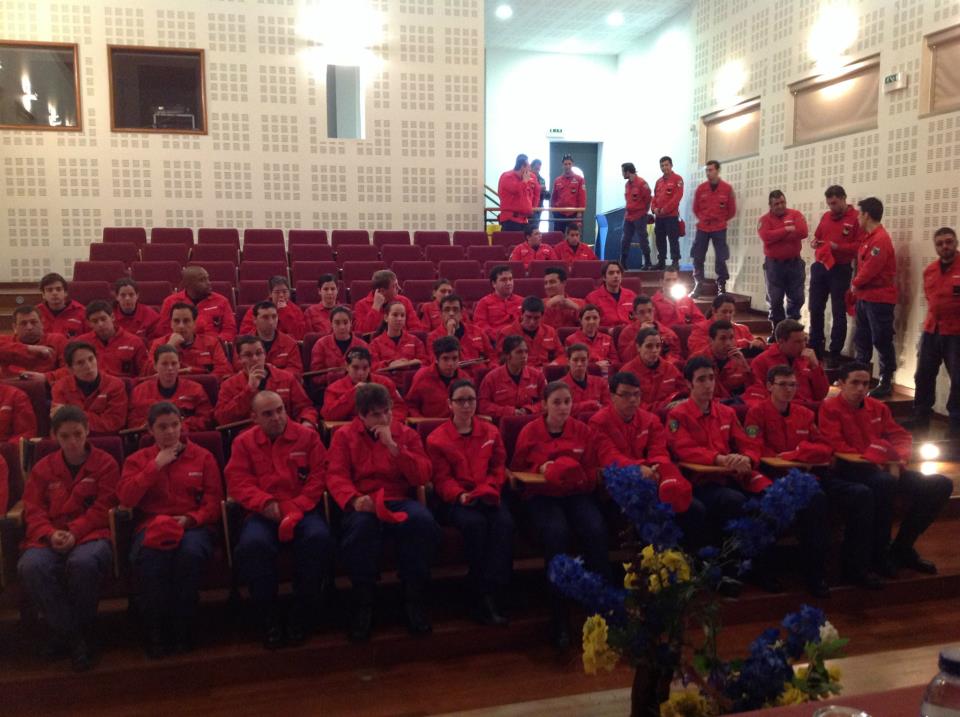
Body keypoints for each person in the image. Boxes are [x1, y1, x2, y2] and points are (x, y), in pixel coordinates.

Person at [667, 357, 814, 593]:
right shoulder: (678, 415)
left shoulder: (726, 412)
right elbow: (684, 448)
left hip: (733, 475)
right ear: (689, 384)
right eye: (701, 379)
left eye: (711, 378)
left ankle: (759, 567)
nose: (708, 384)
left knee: (771, 498)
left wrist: (747, 458)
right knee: (733, 501)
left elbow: (748, 442)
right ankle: (728, 571)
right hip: (701, 481)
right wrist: (719, 459)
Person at [742, 364, 881, 590]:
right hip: (776, 476)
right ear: (769, 386)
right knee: (815, 500)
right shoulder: (757, 413)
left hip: (811, 472)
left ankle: (856, 567)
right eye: (783, 385)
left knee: (862, 494)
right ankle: (812, 574)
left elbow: (824, 447)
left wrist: (797, 453)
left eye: (793, 385)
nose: (789, 390)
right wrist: (793, 458)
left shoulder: (804, 414)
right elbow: (754, 447)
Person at [325, 383, 439, 641]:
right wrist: (354, 499)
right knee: (360, 531)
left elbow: (422, 475)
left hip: (398, 497)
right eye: (376, 414)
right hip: (363, 500)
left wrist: (394, 448)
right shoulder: (344, 436)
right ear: (361, 415)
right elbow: (335, 475)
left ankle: (413, 597)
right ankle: (363, 601)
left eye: (387, 411)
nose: (385, 418)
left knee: (422, 523)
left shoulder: (405, 433)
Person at [818, 362, 952, 577]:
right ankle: (877, 554)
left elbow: (900, 436)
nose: (861, 388)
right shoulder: (830, 408)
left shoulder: (878, 407)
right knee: (884, 483)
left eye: (865, 383)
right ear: (841, 384)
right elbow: (836, 444)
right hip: (851, 469)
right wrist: (877, 460)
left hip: (885, 468)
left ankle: (902, 547)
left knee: (940, 484)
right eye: (855, 383)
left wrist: (897, 460)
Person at [225, 390, 333, 648]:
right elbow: (238, 481)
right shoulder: (243, 442)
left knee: (318, 539)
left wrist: (297, 505)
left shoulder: (308, 437)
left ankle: (302, 611)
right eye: (268, 413)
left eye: (280, 410)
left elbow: (319, 476)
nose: (276, 417)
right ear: (254, 417)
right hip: (262, 513)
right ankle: (268, 615)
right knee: (253, 547)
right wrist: (265, 503)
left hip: (302, 509)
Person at [117, 402, 223, 658]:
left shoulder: (203, 456)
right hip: (152, 524)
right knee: (152, 558)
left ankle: (183, 627)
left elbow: (213, 502)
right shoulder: (137, 460)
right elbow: (126, 499)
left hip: (193, 525)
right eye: (162, 427)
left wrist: (190, 519)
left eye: (175, 425)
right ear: (150, 430)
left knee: (189, 556)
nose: (170, 432)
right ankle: (156, 629)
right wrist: (155, 466)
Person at [17, 406, 118, 671]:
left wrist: (75, 531)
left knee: (83, 563)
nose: (72, 441)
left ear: (87, 431)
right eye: (65, 436)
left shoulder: (106, 463)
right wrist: (50, 534)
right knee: (31, 566)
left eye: (77, 434)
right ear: (54, 436)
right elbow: (33, 508)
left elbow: (104, 507)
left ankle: (70, 635)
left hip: (91, 533)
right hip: (49, 535)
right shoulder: (43, 467)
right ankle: (76, 636)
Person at [511, 380, 606, 648]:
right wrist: (542, 469)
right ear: (544, 405)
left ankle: (601, 606)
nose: (563, 407)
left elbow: (592, 471)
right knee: (556, 534)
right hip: (542, 496)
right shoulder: (530, 431)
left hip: (575, 494)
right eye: (557, 402)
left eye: (567, 402)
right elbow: (517, 471)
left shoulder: (582, 430)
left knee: (596, 529)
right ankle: (559, 617)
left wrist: (574, 474)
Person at [425, 379, 512, 626]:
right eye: (460, 400)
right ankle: (480, 593)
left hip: (486, 493)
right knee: (475, 525)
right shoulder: (437, 438)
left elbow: (498, 467)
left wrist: (490, 487)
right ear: (449, 404)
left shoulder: (490, 431)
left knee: (504, 523)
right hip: (455, 499)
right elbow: (441, 479)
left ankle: (496, 587)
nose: (466, 405)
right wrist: (459, 495)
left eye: (471, 400)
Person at [589, 372, 705, 543]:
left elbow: (659, 452)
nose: (632, 400)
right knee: (648, 515)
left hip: (653, 479)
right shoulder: (598, 422)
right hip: (620, 486)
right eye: (625, 395)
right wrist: (639, 468)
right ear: (612, 396)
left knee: (694, 509)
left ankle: (688, 557)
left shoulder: (650, 420)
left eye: (636, 394)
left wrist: (655, 469)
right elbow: (609, 456)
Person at [913, 227, 960, 433]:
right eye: (940, 243)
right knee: (922, 375)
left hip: (956, 333)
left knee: (958, 380)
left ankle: (955, 425)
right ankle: (921, 418)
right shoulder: (930, 271)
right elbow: (930, 299)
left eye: (949, 242)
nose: (945, 246)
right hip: (932, 330)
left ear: (956, 242)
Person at [809, 185, 863, 362]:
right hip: (821, 266)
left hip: (840, 268)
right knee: (815, 308)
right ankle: (815, 346)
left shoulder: (856, 218)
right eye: (829, 204)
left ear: (844, 198)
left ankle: (835, 352)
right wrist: (815, 243)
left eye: (834, 203)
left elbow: (859, 246)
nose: (832, 207)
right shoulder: (826, 216)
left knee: (838, 311)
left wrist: (837, 247)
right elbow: (817, 236)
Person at [851, 197, 898, 398]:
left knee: (881, 339)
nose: (858, 218)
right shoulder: (868, 238)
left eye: (860, 214)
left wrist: (854, 284)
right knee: (862, 339)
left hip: (879, 299)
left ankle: (886, 381)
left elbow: (871, 268)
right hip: (865, 297)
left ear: (867, 215)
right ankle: (859, 379)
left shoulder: (880, 239)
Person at [216, 336, 318, 427]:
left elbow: (305, 408)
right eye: (248, 355)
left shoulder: (286, 378)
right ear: (239, 359)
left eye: (259, 353)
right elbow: (222, 419)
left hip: (285, 432)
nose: (255, 359)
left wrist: (307, 421)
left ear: (265, 354)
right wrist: (249, 390)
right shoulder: (228, 385)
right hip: (249, 437)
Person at [128, 346, 213, 431]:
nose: (170, 368)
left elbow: (206, 419)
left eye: (174, 363)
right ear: (155, 366)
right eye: (164, 364)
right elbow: (133, 422)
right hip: (151, 436)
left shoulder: (196, 389)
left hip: (186, 435)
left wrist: (179, 426)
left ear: (179, 365)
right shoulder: (139, 391)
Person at [757, 190, 808, 334]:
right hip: (774, 266)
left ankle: (791, 331)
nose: (780, 206)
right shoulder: (764, 220)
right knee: (775, 300)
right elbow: (766, 237)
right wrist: (787, 229)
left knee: (797, 298)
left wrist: (777, 235)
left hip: (794, 264)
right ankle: (777, 332)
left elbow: (803, 232)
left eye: (782, 202)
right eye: (776, 204)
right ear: (770, 205)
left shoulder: (795, 214)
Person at [51, 341, 128, 433]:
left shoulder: (115, 385)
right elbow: (62, 425)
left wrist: (73, 413)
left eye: (91, 359)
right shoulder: (60, 387)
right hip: (73, 437)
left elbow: (114, 422)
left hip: (106, 438)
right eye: (80, 363)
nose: (88, 366)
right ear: (70, 369)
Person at [749, 319, 829, 406]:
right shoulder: (761, 361)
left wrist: (816, 367)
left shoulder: (807, 359)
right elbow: (758, 396)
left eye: (804, 340)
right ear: (781, 342)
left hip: (811, 408)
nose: (803, 345)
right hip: (783, 409)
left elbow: (821, 395)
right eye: (797, 342)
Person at [321, 346, 408, 422]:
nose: (361, 373)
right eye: (355, 367)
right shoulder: (333, 389)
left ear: (370, 367)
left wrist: (386, 423)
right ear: (347, 366)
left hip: (383, 427)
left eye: (365, 368)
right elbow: (329, 416)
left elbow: (400, 408)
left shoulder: (385, 383)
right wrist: (353, 393)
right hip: (351, 431)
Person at [147, 302, 232, 378]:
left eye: (186, 321)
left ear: (194, 323)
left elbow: (223, 371)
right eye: (176, 321)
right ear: (171, 324)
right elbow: (148, 373)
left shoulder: (212, 343)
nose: (181, 326)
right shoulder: (159, 344)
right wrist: (169, 347)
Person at [691, 160, 737, 296]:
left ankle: (721, 285)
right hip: (703, 227)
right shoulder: (701, 188)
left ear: (717, 171)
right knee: (698, 256)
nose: (708, 173)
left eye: (710, 170)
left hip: (719, 228)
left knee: (721, 257)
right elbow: (695, 208)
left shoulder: (727, 189)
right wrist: (704, 218)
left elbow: (731, 210)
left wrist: (720, 220)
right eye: (707, 170)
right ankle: (698, 284)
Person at [159, 266, 237, 342]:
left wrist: (216, 342)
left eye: (207, 278)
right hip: (180, 345)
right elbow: (163, 330)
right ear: (188, 284)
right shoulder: (170, 302)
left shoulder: (222, 301)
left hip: (213, 346)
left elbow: (229, 329)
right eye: (202, 280)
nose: (208, 283)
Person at [621, 328, 687, 413]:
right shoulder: (626, 373)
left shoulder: (670, 368)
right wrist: (664, 406)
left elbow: (685, 392)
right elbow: (631, 406)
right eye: (649, 346)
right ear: (638, 347)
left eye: (658, 346)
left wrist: (679, 401)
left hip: (670, 415)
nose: (655, 350)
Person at [478, 336, 547, 418]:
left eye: (526, 352)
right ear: (507, 355)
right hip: (503, 421)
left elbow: (546, 401)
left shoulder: (538, 376)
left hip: (531, 419)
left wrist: (529, 409)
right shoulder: (491, 379)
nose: (524, 356)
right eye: (519, 352)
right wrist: (510, 411)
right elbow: (483, 406)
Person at [77, 300, 149, 378]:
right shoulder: (80, 343)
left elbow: (144, 374)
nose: (100, 324)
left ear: (112, 317)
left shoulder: (134, 342)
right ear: (89, 323)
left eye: (103, 319)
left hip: (124, 384)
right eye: (95, 321)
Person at [427, 294, 494, 377]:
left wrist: (491, 373)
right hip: (455, 378)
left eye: (455, 310)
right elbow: (437, 364)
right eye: (447, 310)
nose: (451, 313)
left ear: (461, 313)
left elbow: (492, 356)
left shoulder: (478, 331)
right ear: (441, 314)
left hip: (480, 376)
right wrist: (449, 335)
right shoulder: (433, 337)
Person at [689, 320, 754, 402]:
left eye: (731, 338)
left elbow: (752, 389)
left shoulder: (740, 359)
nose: (728, 343)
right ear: (711, 341)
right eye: (723, 338)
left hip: (735, 403)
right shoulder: (696, 360)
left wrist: (746, 368)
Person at [0, 304, 69, 381]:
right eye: (23, 323)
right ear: (14, 327)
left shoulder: (57, 340)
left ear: (42, 324)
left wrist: (45, 377)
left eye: (34, 322)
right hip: (10, 385)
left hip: (47, 385)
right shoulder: (6, 341)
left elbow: (70, 369)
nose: (29, 327)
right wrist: (29, 349)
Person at [235, 300, 303, 376]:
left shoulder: (290, 343)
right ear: (254, 320)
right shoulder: (242, 344)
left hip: (281, 382)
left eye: (274, 317)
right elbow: (238, 369)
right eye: (265, 317)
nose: (271, 322)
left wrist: (272, 373)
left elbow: (296, 371)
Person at [308, 306, 369, 388]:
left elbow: (369, 372)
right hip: (329, 388)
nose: (342, 327)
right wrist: (337, 376)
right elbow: (315, 377)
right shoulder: (320, 344)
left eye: (345, 322)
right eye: (337, 323)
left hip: (359, 387)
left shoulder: (363, 345)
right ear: (331, 324)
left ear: (351, 323)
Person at [687, 294, 766, 357]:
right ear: (714, 311)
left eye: (731, 312)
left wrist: (758, 342)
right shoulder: (700, 328)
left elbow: (753, 344)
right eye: (724, 312)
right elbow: (700, 352)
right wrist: (743, 344)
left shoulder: (743, 329)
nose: (728, 315)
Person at [494, 295, 560, 368]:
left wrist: (554, 364)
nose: (532, 322)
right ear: (522, 314)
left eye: (536, 318)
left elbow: (562, 355)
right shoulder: (506, 333)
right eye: (528, 317)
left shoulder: (550, 331)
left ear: (542, 316)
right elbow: (499, 359)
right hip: (519, 371)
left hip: (545, 370)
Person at [406, 337, 464, 418]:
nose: (450, 363)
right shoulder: (422, 376)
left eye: (454, 358)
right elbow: (411, 405)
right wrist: (421, 421)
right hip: (429, 424)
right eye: (445, 359)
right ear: (436, 359)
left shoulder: (464, 378)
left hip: (457, 424)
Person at [617, 295, 682, 364]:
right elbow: (625, 359)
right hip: (637, 367)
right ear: (635, 314)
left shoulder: (667, 332)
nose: (647, 315)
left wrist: (665, 364)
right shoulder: (626, 333)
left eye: (650, 311)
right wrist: (639, 335)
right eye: (642, 312)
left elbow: (675, 354)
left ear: (654, 311)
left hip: (661, 367)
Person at [353, 269, 422, 334]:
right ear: (382, 291)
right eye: (394, 286)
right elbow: (362, 333)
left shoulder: (404, 301)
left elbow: (416, 328)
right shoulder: (361, 305)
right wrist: (375, 308)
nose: (399, 288)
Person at [239, 276, 306, 340]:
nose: (281, 295)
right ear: (270, 294)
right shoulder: (256, 309)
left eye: (285, 292)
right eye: (277, 292)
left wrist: (284, 311)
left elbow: (300, 336)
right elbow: (245, 335)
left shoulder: (296, 310)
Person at [369, 300, 429, 371]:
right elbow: (372, 366)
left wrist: (411, 363)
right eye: (395, 315)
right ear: (386, 317)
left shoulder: (415, 341)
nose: (399, 319)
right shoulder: (375, 344)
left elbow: (425, 363)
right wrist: (389, 364)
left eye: (402, 315)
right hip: (387, 377)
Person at [563, 304, 619, 373]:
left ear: (599, 319)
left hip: (606, 373)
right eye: (587, 318)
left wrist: (608, 363)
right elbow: (570, 364)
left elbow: (615, 361)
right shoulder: (570, 340)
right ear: (580, 320)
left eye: (595, 318)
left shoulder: (608, 338)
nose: (591, 321)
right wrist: (595, 366)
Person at [652, 156, 684, 270]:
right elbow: (655, 197)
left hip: (671, 216)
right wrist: (654, 208)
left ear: (671, 165)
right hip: (659, 217)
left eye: (666, 165)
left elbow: (677, 197)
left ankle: (675, 262)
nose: (664, 167)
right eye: (662, 165)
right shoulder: (658, 182)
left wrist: (665, 209)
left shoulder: (677, 179)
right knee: (659, 239)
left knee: (673, 239)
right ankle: (661, 261)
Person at [472, 265, 523, 336]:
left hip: (520, 338)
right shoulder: (484, 303)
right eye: (504, 280)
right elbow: (480, 325)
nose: (508, 283)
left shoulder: (522, 301)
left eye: (510, 279)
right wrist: (499, 335)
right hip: (495, 339)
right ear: (494, 284)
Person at [621, 162, 653, 269]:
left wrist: (644, 212)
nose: (622, 174)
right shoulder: (627, 185)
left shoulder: (642, 184)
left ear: (628, 172)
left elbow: (648, 199)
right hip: (628, 216)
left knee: (643, 239)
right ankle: (623, 262)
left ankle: (647, 262)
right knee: (625, 239)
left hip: (639, 215)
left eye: (623, 172)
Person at [561, 344, 610, 413]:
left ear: (588, 361)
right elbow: (562, 410)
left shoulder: (601, 382)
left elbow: (608, 408)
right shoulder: (560, 387)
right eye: (575, 360)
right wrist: (590, 404)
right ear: (568, 361)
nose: (579, 364)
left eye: (583, 360)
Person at [585, 261, 636, 327]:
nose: (616, 276)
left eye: (618, 272)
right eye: (611, 273)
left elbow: (638, 319)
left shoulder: (632, 295)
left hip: (630, 332)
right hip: (606, 332)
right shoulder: (592, 298)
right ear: (604, 277)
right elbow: (590, 325)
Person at [37, 273, 87, 338]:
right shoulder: (36, 313)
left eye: (58, 289)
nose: (54, 293)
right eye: (49, 290)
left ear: (65, 293)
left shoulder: (82, 312)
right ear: (43, 295)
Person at [113, 278, 161, 342]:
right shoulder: (109, 315)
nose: (127, 298)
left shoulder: (150, 314)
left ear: (137, 296)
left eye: (131, 295)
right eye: (123, 295)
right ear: (116, 297)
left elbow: (157, 340)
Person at [497, 154, 535, 232]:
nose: (530, 172)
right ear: (522, 167)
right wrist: (524, 182)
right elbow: (516, 190)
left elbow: (530, 196)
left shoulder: (524, 180)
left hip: (523, 220)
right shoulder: (507, 177)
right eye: (528, 169)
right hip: (511, 221)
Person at [551, 154, 586, 232]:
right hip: (559, 214)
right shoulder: (557, 180)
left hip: (573, 214)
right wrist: (554, 211)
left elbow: (582, 197)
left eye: (569, 164)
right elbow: (554, 197)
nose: (567, 166)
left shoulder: (579, 179)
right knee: (558, 235)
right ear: (562, 165)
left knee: (573, 235)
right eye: (565, 164)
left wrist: (579, 213)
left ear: (572, 164)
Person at [530, 158, 548, 225]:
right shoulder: (527, 177)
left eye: (539, 169)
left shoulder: (542, 179)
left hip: (539, 206)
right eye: (536, 168)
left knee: (536, 225)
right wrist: (539, 188)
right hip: (529, 206)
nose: (537, 171)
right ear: (531, 167)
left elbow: (543, 192)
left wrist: (545, 193)